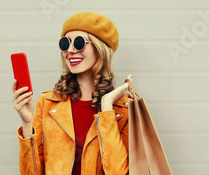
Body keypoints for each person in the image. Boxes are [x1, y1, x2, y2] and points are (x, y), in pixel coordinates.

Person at [12, 12, 130, 175]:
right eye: (65, 44)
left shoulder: (124, 108)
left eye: (79, 43)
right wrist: (27, 123)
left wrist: (107, 109)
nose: (71, 50)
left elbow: (118, 172)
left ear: (100, 48)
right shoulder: (47, 102)